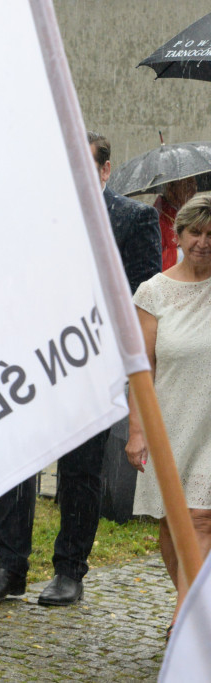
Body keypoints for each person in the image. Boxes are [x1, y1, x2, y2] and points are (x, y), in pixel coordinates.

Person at [0, 131, 161, 606]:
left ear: (104, 169)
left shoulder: (134, 219)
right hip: (31, 360)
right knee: (17, 463)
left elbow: (141, 296)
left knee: (80, 472)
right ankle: (8, 567)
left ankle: (70, 571)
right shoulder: (37, 217)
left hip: (90, 363)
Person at [126, 193, 211, 634]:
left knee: (200, 517)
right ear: (178, 235)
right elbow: (143, 368)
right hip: (172, 421)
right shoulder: (154, 292)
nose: (203, 242)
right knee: (172, 526)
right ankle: (192, 600)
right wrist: (137, 432)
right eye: (195, 232)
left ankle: (187, 623)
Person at [154, 177, 197, 271]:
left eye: (195, 184)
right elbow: (155, 260)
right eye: (188, 185)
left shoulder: (182, 210)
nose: (194, 190)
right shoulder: (156, 217)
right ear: (171, 189)